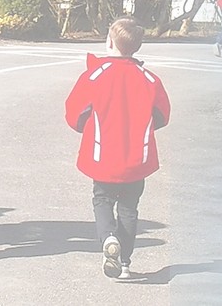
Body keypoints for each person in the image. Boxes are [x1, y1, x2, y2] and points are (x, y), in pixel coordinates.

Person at [64, 17, 171, 279]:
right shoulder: (149, 79)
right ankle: (124, 263)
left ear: (109, 42)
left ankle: (108, 238)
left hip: (103, 154)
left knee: (102, 199)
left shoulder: (95, 75)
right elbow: (162, 115)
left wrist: (87, 127)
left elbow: (74, 114)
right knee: (129, 208)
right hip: (137, 157)